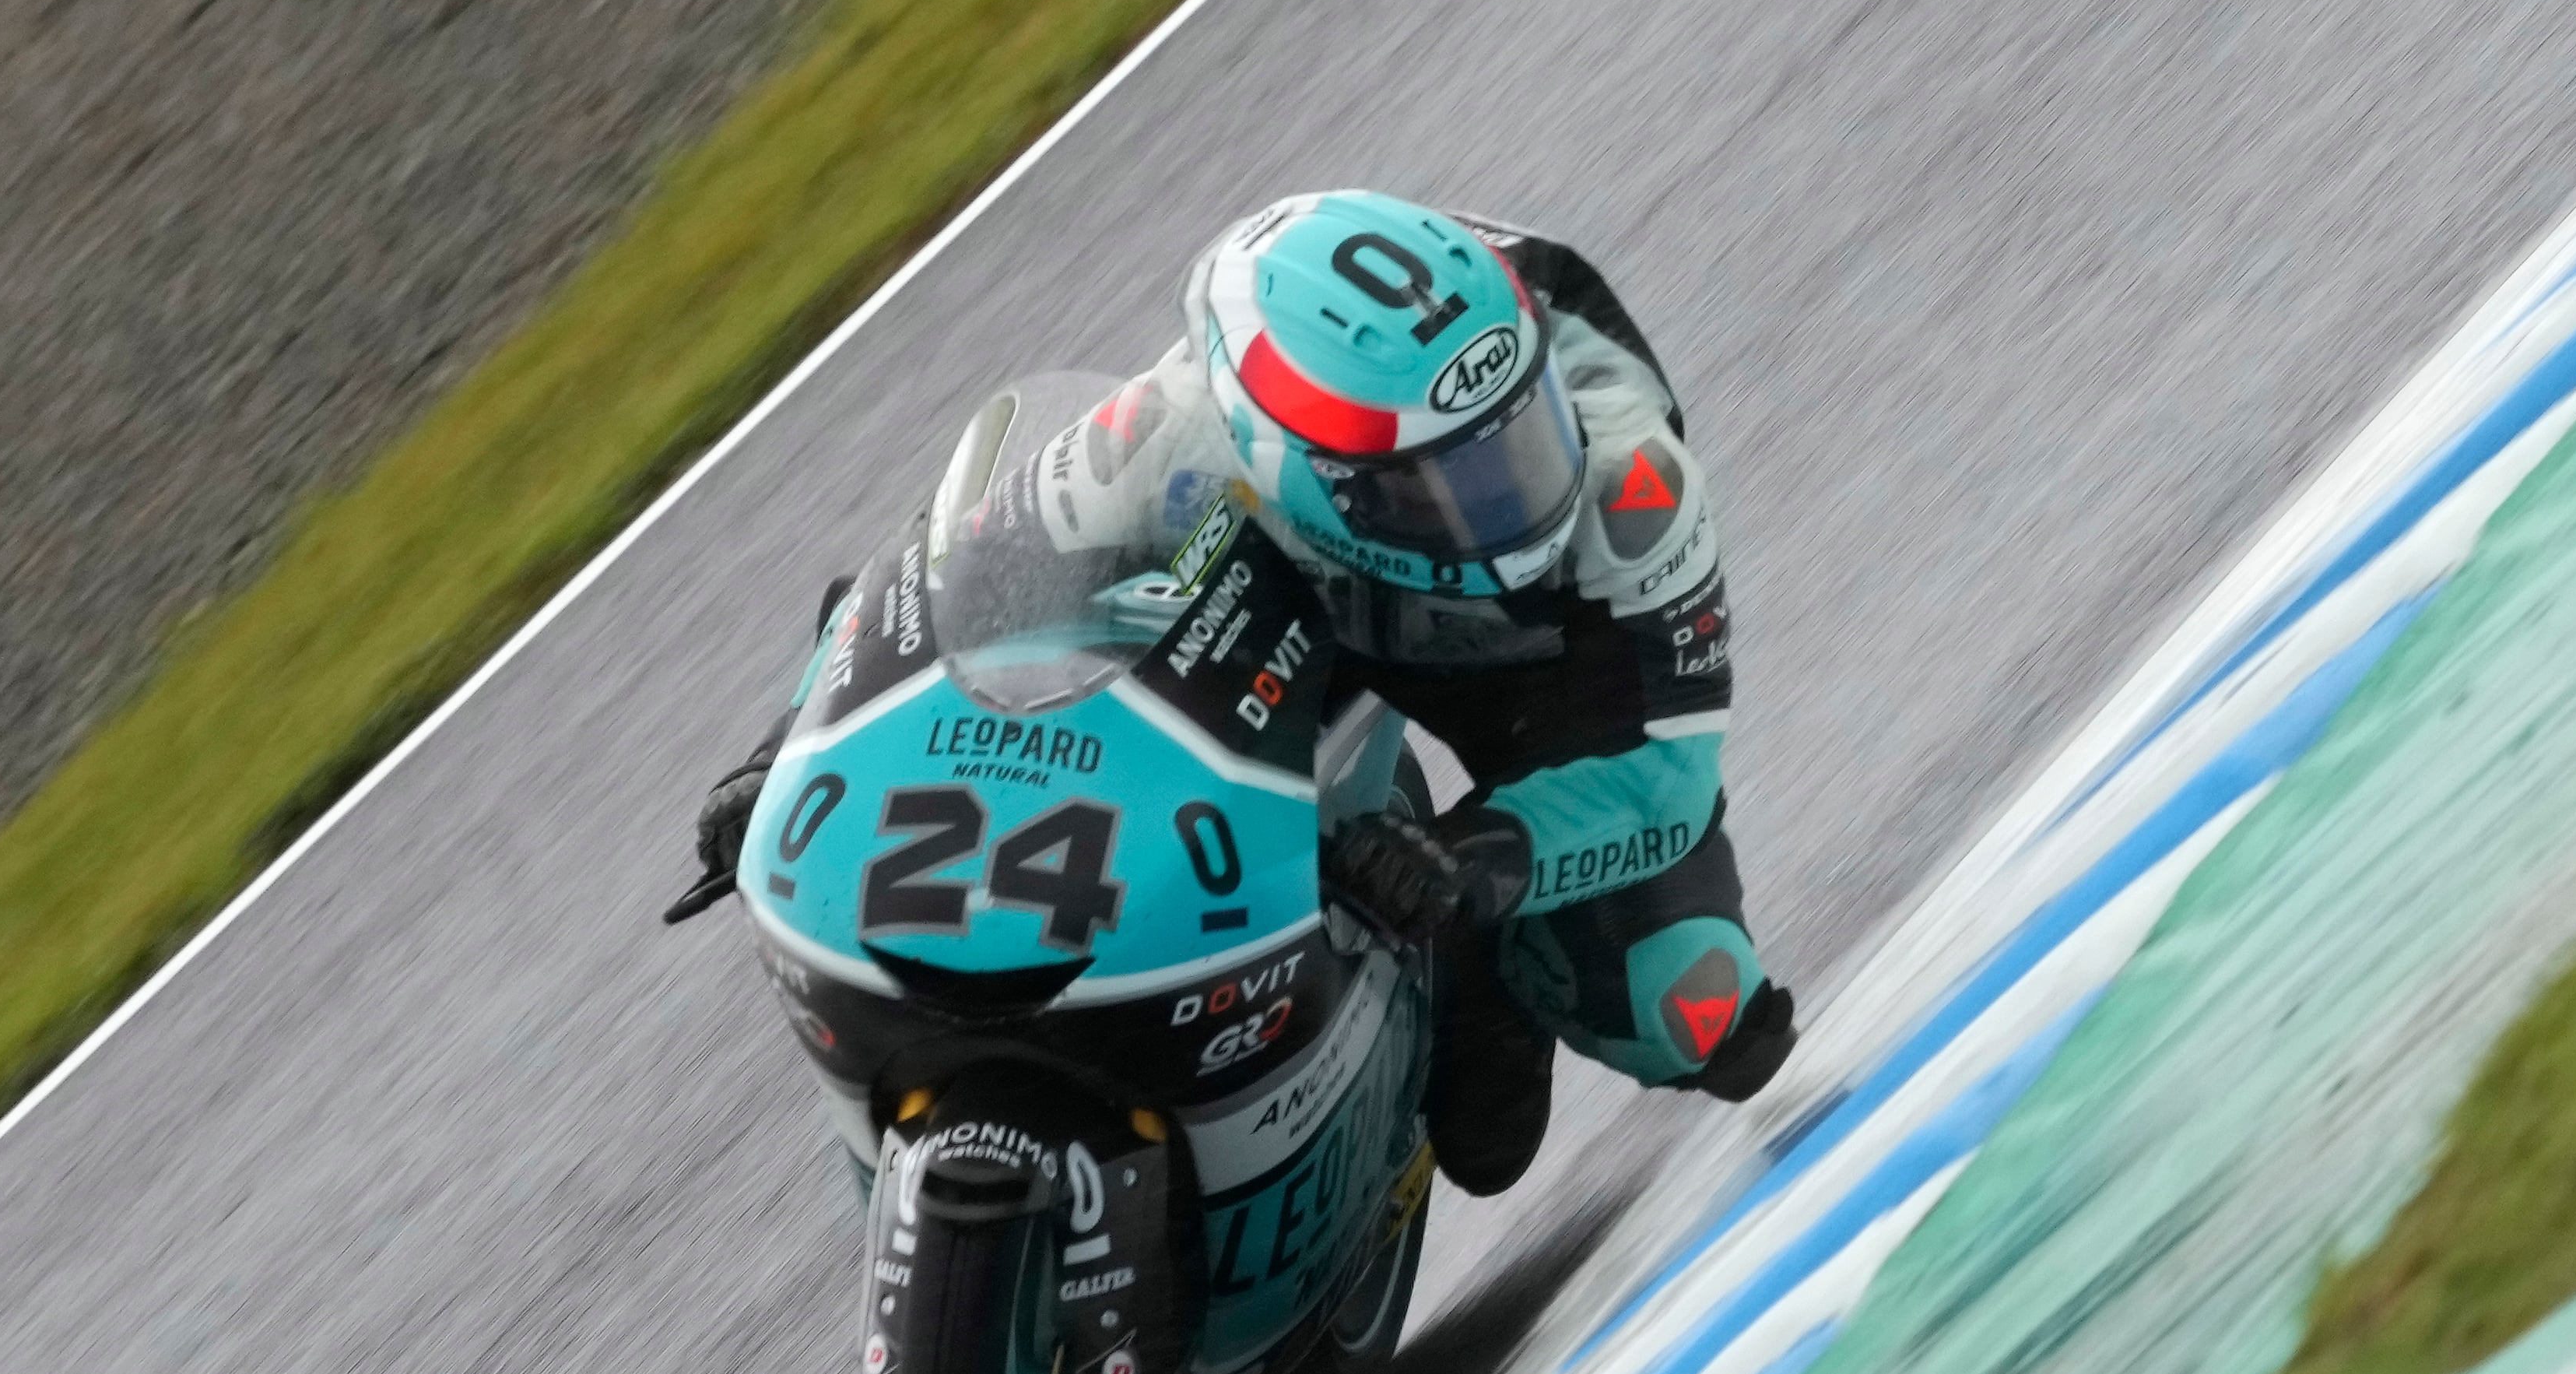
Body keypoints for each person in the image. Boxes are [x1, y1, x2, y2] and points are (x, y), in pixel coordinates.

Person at [694, 189, 1792, 1195]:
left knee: (1691, 1002)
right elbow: (933, 586)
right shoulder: (1170, 433)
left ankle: (1473, 959)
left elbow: (1665, 778)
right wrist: (787, 747)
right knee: (1024, 609)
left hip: (1543, 676)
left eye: (1518, 446)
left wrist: (1476, 863)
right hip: (1283, 596)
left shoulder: (1633, 493)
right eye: (1438, 491)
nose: (1502, 513)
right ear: (1288, 464)